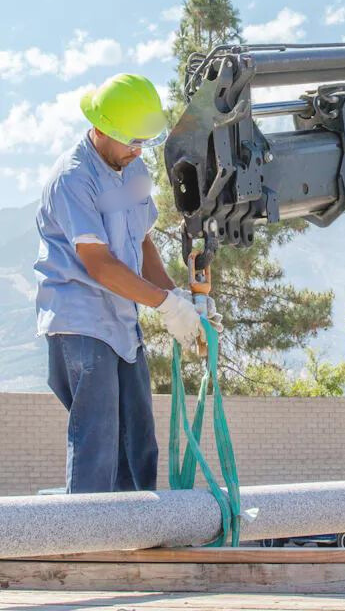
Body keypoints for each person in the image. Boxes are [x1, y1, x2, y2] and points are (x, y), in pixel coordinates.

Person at [34, 73, 221, 494]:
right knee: (96, 447)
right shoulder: (73, 179)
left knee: (139, 446)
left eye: (144, 141)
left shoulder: (130, 168)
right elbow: (99, 264)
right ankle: (91, 551)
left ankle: (137, 540)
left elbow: (141, 240)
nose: (139, 150)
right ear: (100, 129)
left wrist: (178, 300)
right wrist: (166, 307)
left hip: (121, 323)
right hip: (80, 324)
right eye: (131, 140)